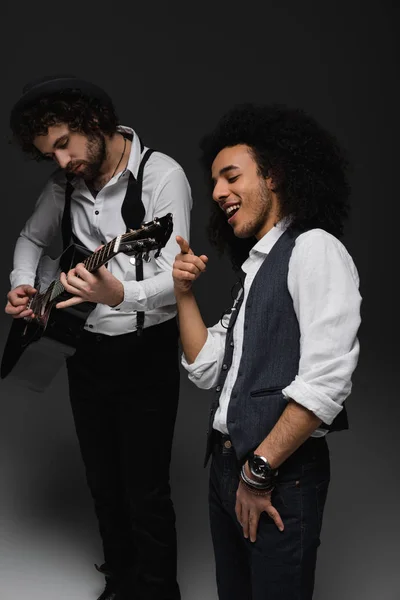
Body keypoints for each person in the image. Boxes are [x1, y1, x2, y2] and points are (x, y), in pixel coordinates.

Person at [5, 74, 192, 600]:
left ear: (93, 121)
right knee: (102, 481)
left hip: (144, 350)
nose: (62, 163)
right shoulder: (64, 185)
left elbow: (174, 274)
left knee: (146, 489)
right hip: (82, 347)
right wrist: (25, 287)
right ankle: (121, 581)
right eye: (50, 154)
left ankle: (158, 592)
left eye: (64, 144)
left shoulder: (161, 176)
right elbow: (29, 239)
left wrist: (119, 295)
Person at [172, 102, 361, 600]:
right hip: (227, 470)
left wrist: (258, 474)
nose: (217, 193)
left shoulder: (314, 249)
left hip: (276, 475)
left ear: (274, 175)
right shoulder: (257, 268)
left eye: (230, 177)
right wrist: (183, 293)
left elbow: (327, 383)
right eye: (214, 183)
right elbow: (206, 366)